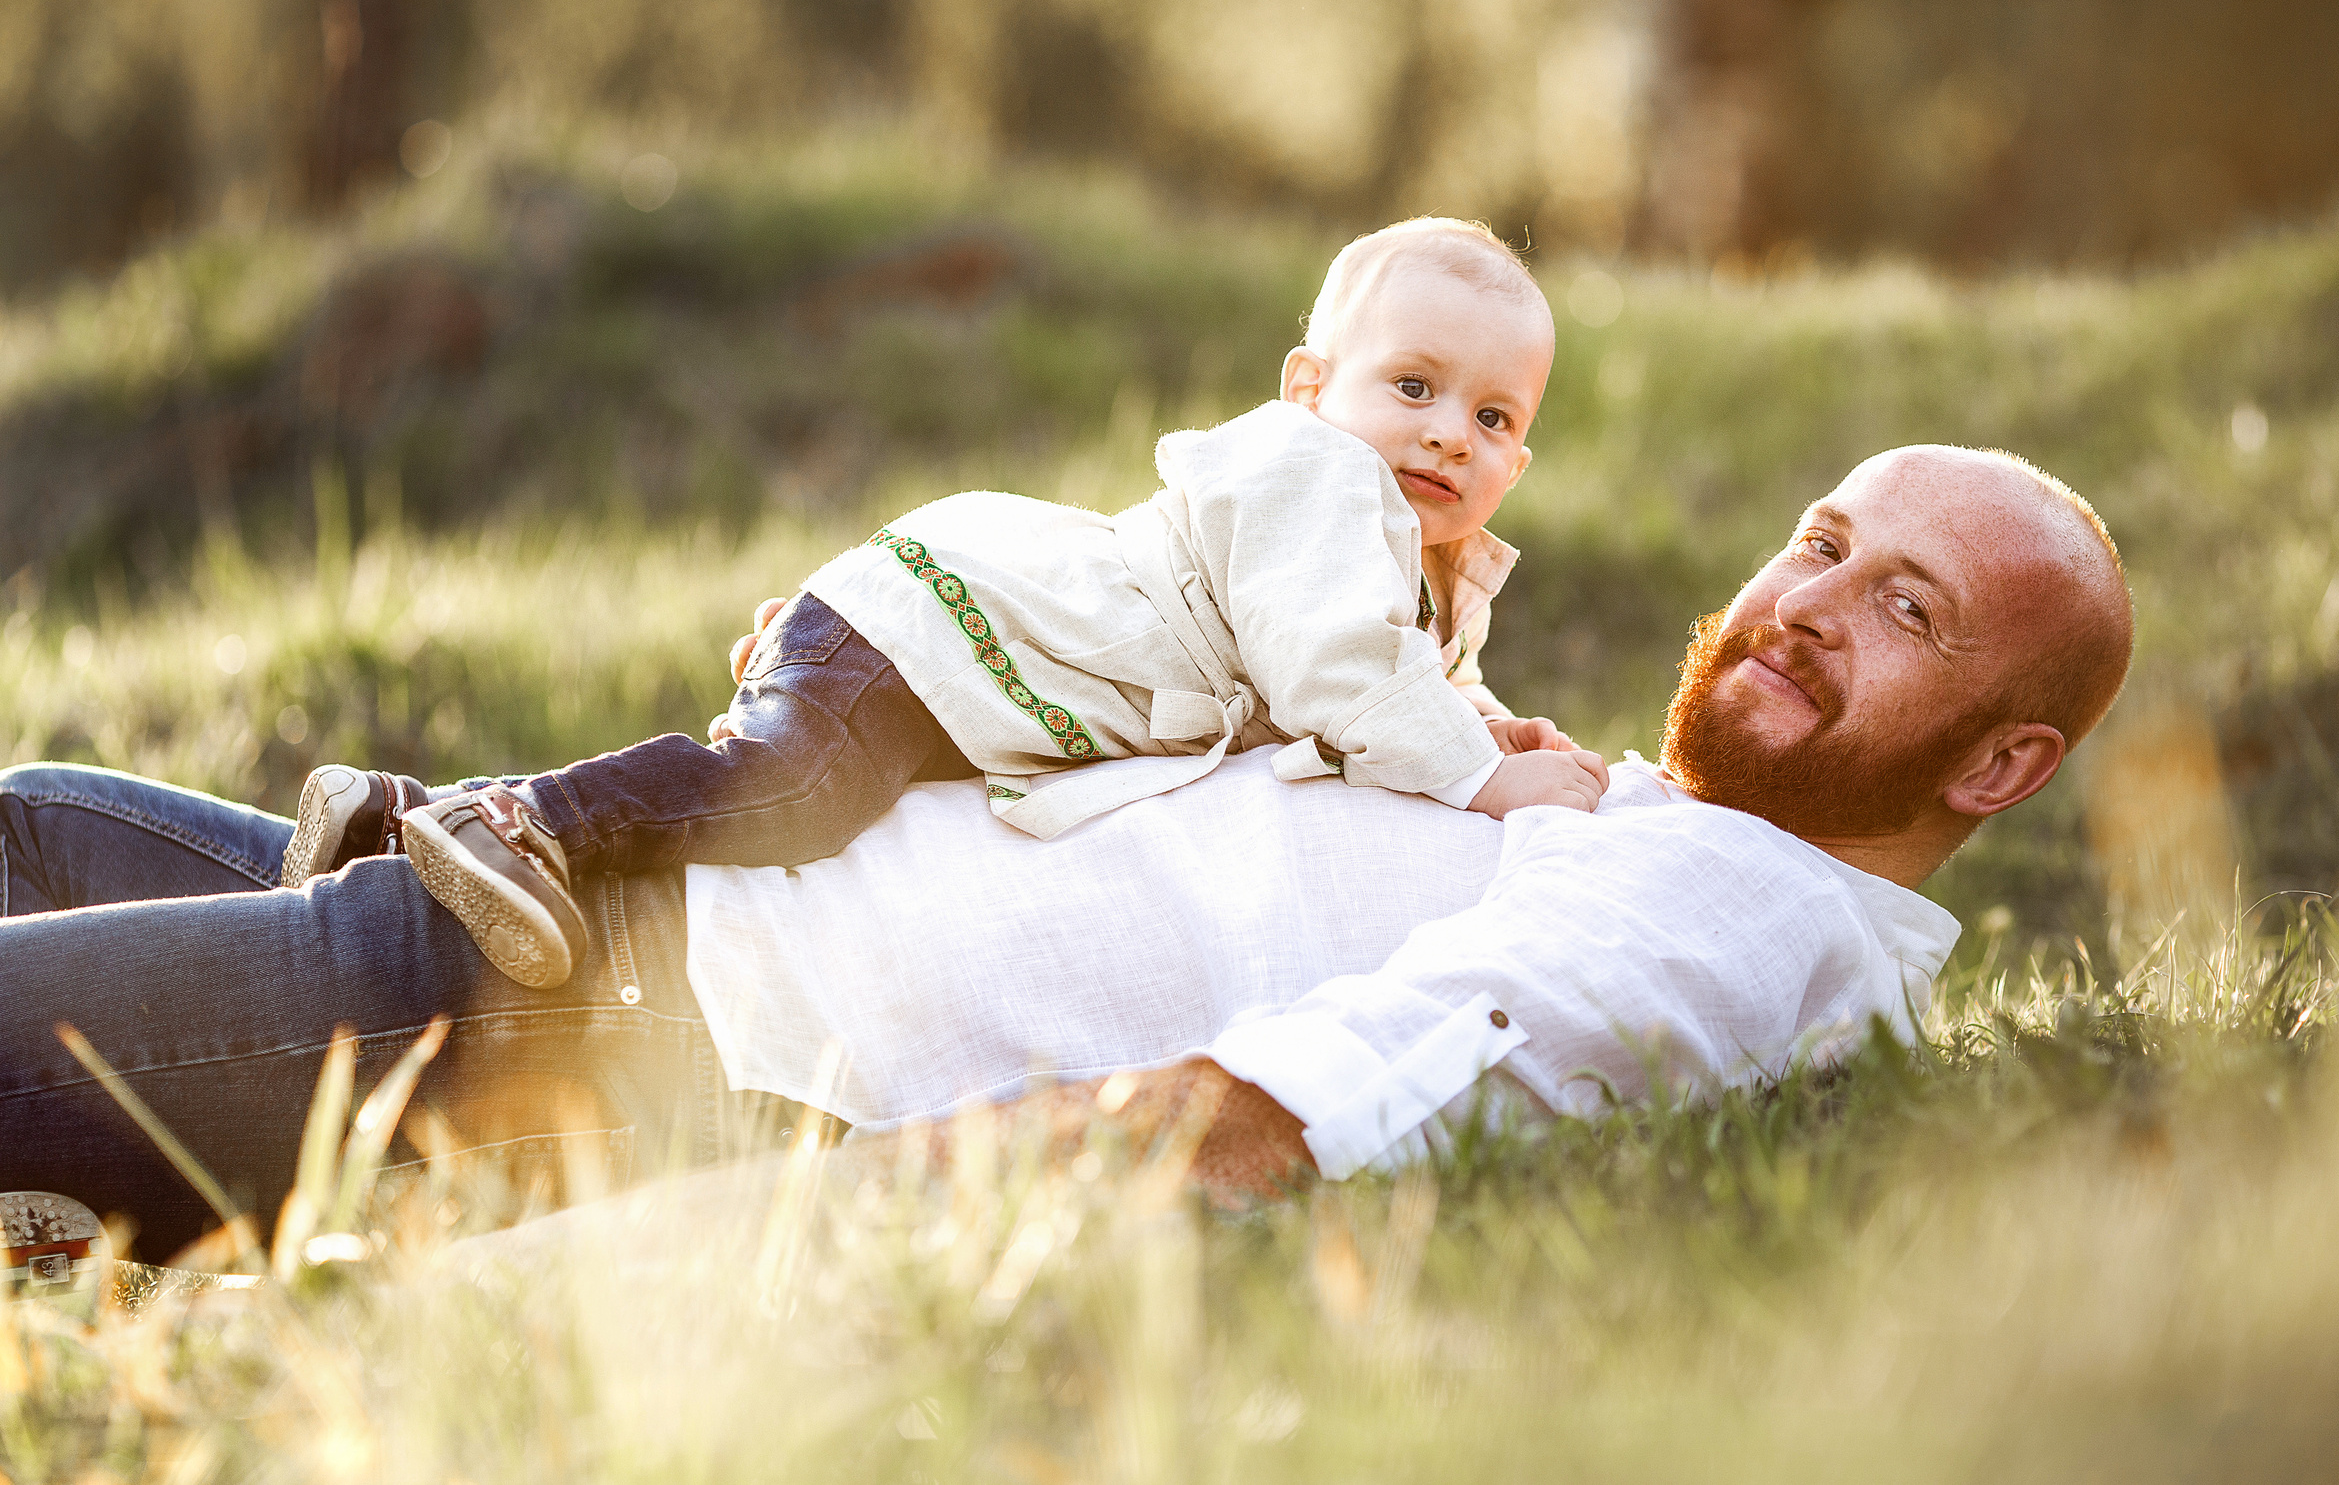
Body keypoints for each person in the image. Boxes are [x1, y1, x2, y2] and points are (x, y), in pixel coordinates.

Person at [0, 445, 2133, 1260]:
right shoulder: (1623, 816)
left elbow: (1247, 1122)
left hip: (619, 1022)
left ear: (2007, 759)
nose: (1807, 604)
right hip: (585, 911)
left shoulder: (1738, 924)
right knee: (30, 817)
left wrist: (513, 1287)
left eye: (1906, 610)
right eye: (1820, 542)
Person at [290, 217, 1605, 993]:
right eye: (1414, 387)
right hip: (936, 632)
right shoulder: (1315, 477)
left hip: (962, 672)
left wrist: (1488, 730)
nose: (1450, 434)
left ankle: (392, 819)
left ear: (1522, 460)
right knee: (792, 800)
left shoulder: (1423, 566)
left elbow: (1406, 678)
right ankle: (525, 821)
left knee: (804, 802)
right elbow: (1337, 672)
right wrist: (1480, 781)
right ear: (1311, 387)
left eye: (1493, 417)